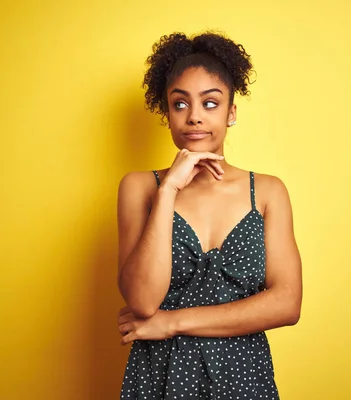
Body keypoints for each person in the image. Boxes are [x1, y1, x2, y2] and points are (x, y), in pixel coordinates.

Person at [116, 31, 302, 400]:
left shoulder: (267, 192)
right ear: (166, 113)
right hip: (160, 376)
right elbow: (141, 301)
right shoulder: (140, 188)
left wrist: (172, 323)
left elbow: (287, 303)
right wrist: (168, 190)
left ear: (231, 112)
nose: (195, 117)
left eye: (210, 103)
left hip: (244, 376)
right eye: (180, 104)